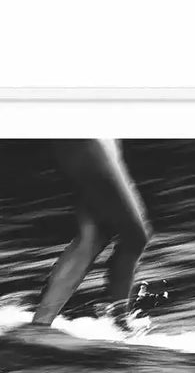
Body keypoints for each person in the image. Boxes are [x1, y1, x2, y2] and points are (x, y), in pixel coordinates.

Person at [31, 139, 153, 331]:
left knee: (95, 235)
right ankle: (122, 324)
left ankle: (41, 323)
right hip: (90, 143)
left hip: (91, 144)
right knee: (134, 236)